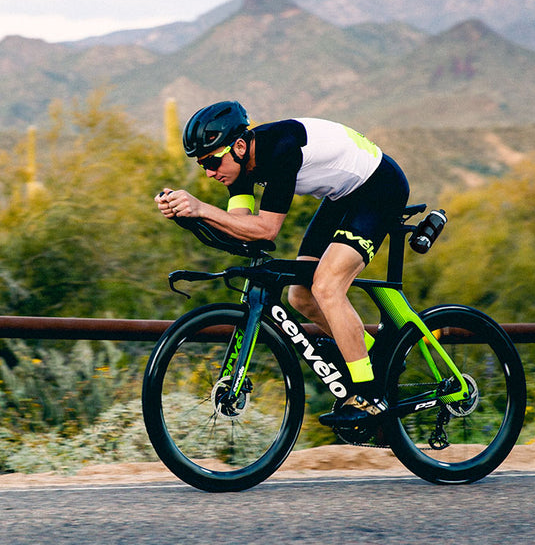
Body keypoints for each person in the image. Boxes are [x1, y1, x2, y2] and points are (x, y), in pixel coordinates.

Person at [155, 100, 409, 427]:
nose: (209, 172)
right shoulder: (237, 167)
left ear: (240, 146)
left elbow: (266, 229)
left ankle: (369, 394)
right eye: (202, 164)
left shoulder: (280, 151)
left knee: (327, 286)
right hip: (342, 197)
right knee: (301, 296)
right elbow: (242, 231)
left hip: (379, 188)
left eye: (212, 161)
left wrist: (201, 208)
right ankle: (374, 354)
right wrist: (187, 217)